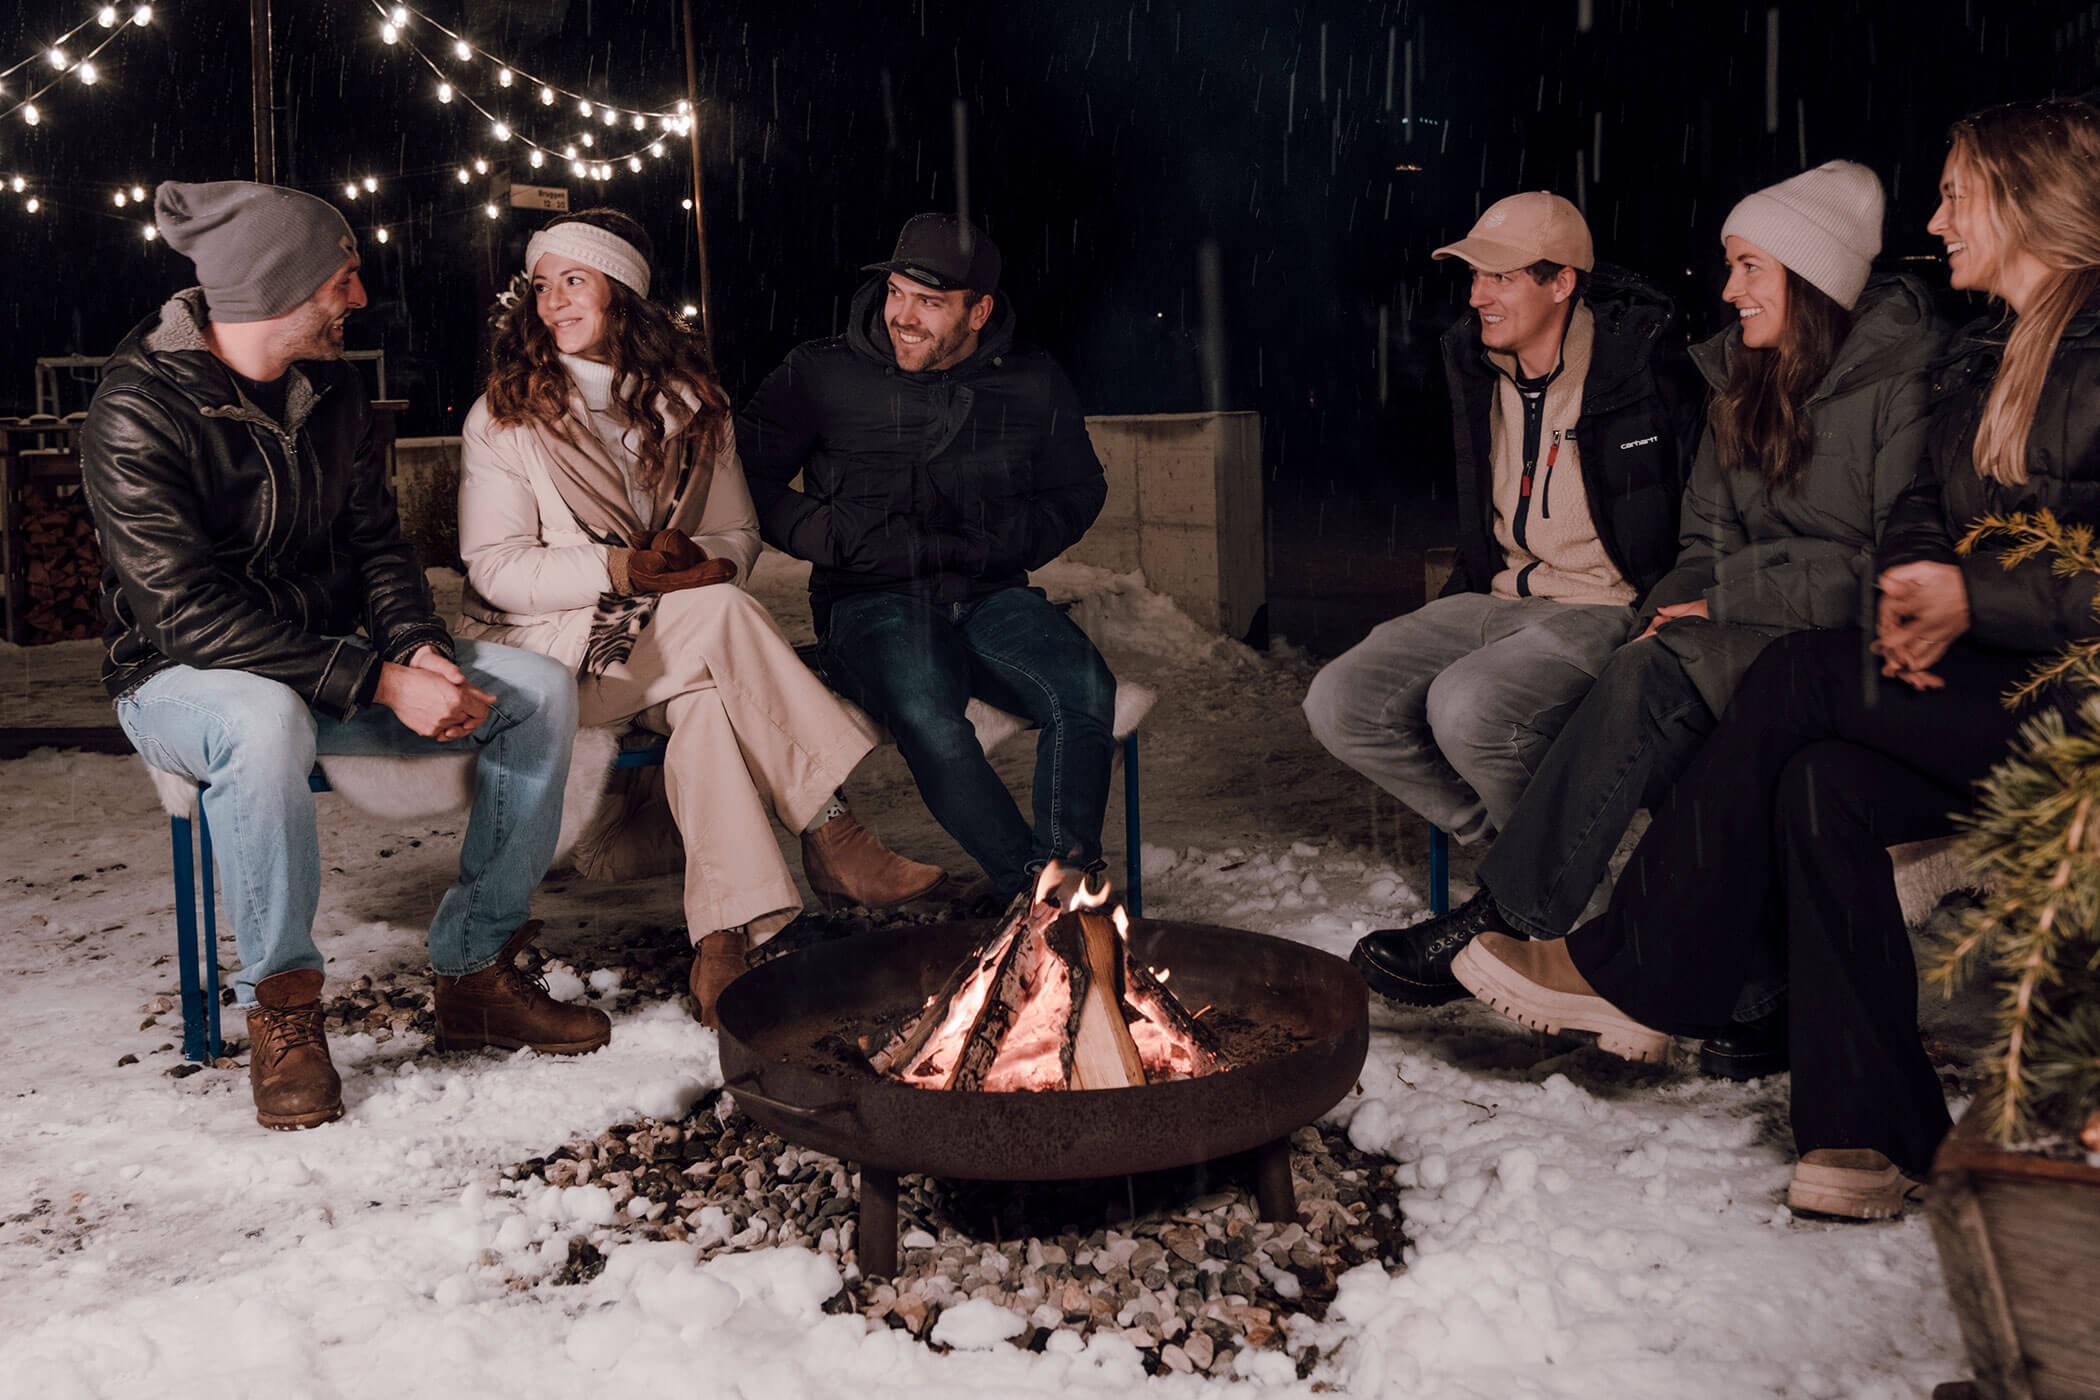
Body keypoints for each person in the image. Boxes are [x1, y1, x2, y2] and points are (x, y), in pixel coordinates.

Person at [1453, 99, 2100, 1219]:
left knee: (1796, 674)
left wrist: (1970, 592)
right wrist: (1915, 579)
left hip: (2070, 703)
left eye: (1955, 194)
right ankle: (1871, 1136)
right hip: (1985, 686)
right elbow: (1912, 510)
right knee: (1820, 786)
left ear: (2025, 200)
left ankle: (1640, 968)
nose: (1936, 221)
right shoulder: (1979, 357)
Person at [1355, 163, 1946, 1058]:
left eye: (1750, 267)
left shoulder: (1905, 381)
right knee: (1664, 697)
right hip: (1749, 632)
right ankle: (1756, 992)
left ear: (1814, 276)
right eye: (1729, 265)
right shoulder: (1739, 382)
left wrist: (1726, 594)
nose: (1729, 289)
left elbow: (1888, 566)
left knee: (1658, 689)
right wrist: (1677, 606)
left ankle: (1520, 917)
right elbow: (1701, 542)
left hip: (1852, 646)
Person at [83, 181, 605, 1132]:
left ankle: (474, 971)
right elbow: (180, 611)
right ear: (276, 288)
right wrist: (373, 678)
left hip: (334, 656)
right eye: (342, 278)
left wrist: (416, 644)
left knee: (534, 687)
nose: (358, 299)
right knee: (261, 714)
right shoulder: (136, 410)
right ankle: (281, 1010)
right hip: (177, 679)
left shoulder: (334, 391)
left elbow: (378, 547)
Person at [457, 210, 945, 1026]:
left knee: (709, 705)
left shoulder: (688, 408)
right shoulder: (507, 416)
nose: (553, 302)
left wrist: (704, 562)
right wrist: (617, 568)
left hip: (671, 647)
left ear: (624, 295)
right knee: (718, 619)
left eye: (574, 280)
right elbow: (496, 571)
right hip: (546, 655)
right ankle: (828, 824)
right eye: (542, 285)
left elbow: (736, 533)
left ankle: (726, 936)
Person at [1302, 192, 1703, 859]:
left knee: (1468, 707)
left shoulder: (1644, 372)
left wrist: (1675, 607)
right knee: (1338, 701)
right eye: (1473, 276)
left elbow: (1698, 515)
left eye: (1501, 276)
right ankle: (1516, 857)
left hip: (1602, 608)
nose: (1477, 296)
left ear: (1561, 282)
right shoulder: (1476, 365)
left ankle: (1558, 911)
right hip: (1497, 596)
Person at [736, 214, 1116, 901]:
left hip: (992, 593)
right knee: (932, 719)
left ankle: (1069, 873)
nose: (903, 318)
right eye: (897, 293)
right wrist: (832, 537)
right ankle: (1033, 889)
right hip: (869, 599)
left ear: (979, 311)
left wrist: (1016, 543)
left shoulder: (1030, 378)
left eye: (931, 304)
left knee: (1084, 690)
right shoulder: (820, 372)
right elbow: (744, 478)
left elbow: (1080, 486)